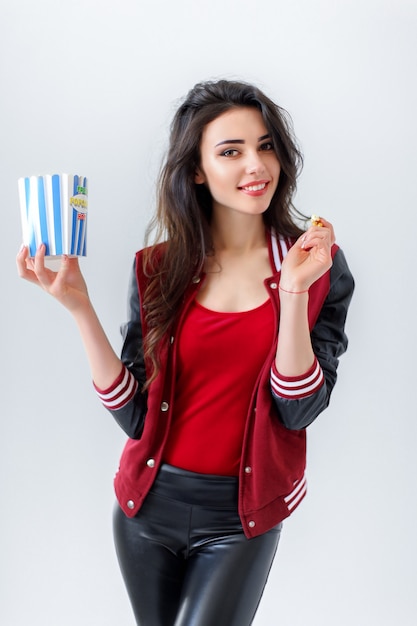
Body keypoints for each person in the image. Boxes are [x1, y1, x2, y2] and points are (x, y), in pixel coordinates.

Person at [16, 79, 354, 626]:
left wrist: (292, 294)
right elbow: (135, 415)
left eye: (266, 145)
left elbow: (298, 409)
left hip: (241, 515)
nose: (256, 165)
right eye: (231, 151)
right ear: (196, 170)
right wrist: (79, 307)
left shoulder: (317, 266)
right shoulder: (156, 268)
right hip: (146, 507)